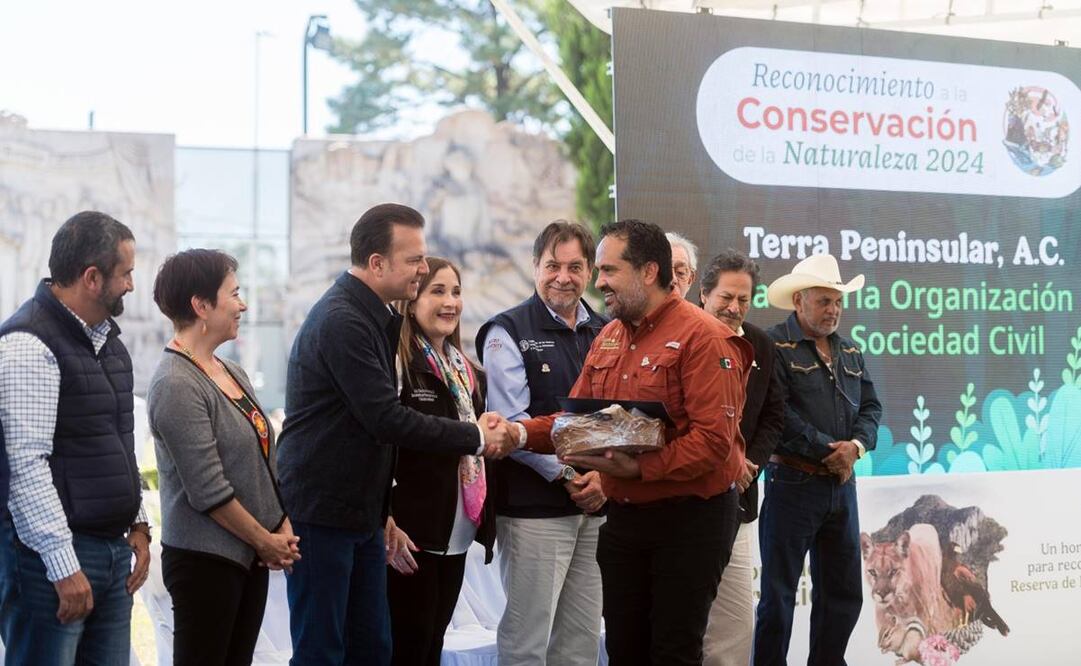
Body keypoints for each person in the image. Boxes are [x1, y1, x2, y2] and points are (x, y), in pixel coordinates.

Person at [275, 203, 517, 666]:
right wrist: (475, 437)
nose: (423, 269)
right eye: (415, 261)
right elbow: (385, 418)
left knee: (373, 649)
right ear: (377, 263)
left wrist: (381, 510)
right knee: (323, 651)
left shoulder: (374, 317)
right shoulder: (344, 319)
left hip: (362, 515)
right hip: (323, 513)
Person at [513, 219, 753, 666]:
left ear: (647, 272)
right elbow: (580, 421)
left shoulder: (704, 336)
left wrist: (638, 469)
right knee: (624, 648)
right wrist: (519, 432)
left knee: (673, 651)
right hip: (624, 519)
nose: (598, 282)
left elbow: (713, 443)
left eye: (608, 270)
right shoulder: (609, 335)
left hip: (691, 520)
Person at [0, 211, 151, 665]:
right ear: (91, 277)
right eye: (125, 273)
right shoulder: (28, 345)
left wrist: (139, 523)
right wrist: (64, 567)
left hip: (109, 554)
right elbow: (25, 467)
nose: (130, 284)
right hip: (51, 563)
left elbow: (119, 443)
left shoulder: (110, 345)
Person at [147, 249, 299, 666]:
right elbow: (208, 489)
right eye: (233, 293)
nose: (243, 304)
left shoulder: (232, 372)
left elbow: (260, 460)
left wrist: (279, 524)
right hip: (205, 561)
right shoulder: (176, 382)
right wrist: (265, 540)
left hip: (247, 554)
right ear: (200, 305)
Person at [476, 221, 608, 666]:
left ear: (589, 270)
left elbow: (617, 419)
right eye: (552, 265)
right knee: (527, 640)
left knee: (582, 641)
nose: (563, 276)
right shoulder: (506, 331)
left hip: (596, 507)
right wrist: (571, 475)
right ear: (535, 267)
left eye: (574, 266)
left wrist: (605, 478)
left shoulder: (607, 332)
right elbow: (512, 425)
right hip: (534, 511)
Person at [753, 254, 882, 666]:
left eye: (838, 302)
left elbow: (872, 408)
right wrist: (832, 450)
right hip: (793, 484)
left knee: (843, 593)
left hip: (842, 487)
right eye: (824, 301)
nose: (833, 310)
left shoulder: (851, 350)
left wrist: (855, 448)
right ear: (799, 302)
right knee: (778, 596)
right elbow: (778, 414)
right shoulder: (774, 345)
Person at [384, 256, 496, 666]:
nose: (450, 302)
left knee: (432, 645)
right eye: (437, 291)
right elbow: (383, 446)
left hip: (457, 534)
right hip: (410, 537)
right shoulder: (399, 365)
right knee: (407, 650)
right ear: (411, 300)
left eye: (456, 291)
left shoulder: (469, 373)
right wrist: (387, 518)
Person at [698, 250, 784, 666]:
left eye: (743, 300)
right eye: (725, 297)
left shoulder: (762, 346)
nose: (734, 308)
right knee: (686, 624)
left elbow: (774, 415)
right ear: (704, 293)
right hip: (686, 507)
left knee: (735, 627)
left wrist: (750, 464)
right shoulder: (682, 341)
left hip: (741, 503)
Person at [665, 231, 699, 299]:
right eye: (665, 271)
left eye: (680, 272)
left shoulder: (694, 310)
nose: (673, 279)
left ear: (690, 279)